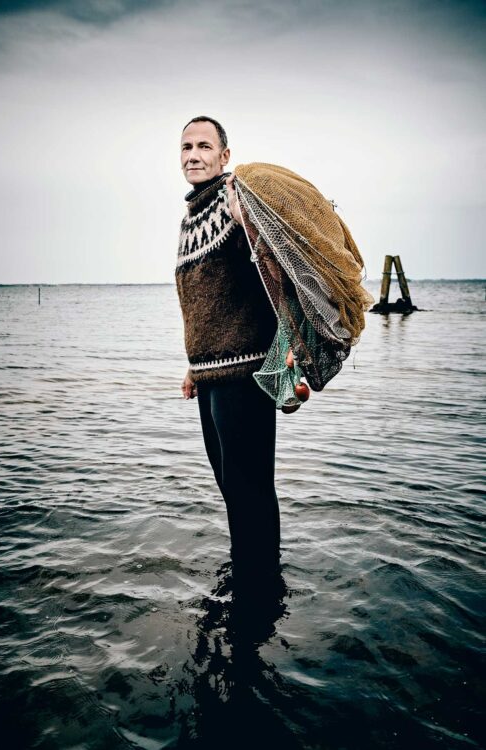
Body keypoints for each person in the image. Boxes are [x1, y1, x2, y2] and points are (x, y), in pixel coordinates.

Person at [175, 116, 282, 584]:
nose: (192, 155)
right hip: (212, 374)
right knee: (230, 488)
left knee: (250, 489)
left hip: (247, 372)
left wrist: (249, 224)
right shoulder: (191, 215)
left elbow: (274, 266)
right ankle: (248, 579)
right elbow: (202, 300)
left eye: (203, 146)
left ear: (224, 156)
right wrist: (193, 367)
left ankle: (260, 588)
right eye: (185, 147)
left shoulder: (236, 200)